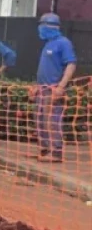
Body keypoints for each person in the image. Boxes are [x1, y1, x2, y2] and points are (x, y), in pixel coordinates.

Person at [31, 12, 77, 163]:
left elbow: (71, 64)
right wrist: (37, 86)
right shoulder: (47, 44)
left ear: (51, 27)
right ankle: (45, 150)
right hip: (42, 89)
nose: (40, 29)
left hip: (54, 89)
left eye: (42, 26)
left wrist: (61, 86)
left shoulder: (63, 43)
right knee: (40, 120)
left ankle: (56, 153)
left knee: (52, 121)